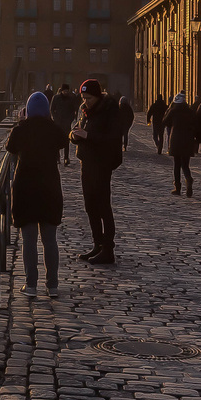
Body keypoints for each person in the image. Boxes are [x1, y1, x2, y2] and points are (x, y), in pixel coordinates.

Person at [6, 91, 65, 296]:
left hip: (26, 189)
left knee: (29, 240)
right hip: (49, 188)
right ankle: (53, 285)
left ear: (28, 110)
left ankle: (31, 284)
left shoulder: (21, 130)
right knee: (50, 240)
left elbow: (10, 147)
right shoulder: (53, 130)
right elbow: (63, 141)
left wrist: (22, 122)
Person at [70, 78, 123, 264]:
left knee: (103, 206)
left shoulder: (109, 110)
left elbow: (113, 138)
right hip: (87, 162)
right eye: (83, 98)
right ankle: (97, 244)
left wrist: (88, 136)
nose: (85, 101)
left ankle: (108, 249)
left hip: (102, 163)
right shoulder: (86, 111)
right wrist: (74, 135)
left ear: (98, 96)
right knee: (90, 205)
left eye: (89, 98)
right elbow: (78, 129)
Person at [161, 92, 198, 196]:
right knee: (185, 164)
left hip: (176, 140)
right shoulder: (190, 111)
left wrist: (169, 109)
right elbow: (196, 124)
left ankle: (177, 188)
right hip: (188, 140)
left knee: (177, 165)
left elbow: (164, 121)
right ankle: (188, 178)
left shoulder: (173, 111)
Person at [50, 84, 79, 166]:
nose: (66, 92)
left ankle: (66, 157)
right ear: (62, 90)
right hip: (58, 123)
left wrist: (70, 120)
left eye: (67, 91)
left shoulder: (71, 99)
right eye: (64, 91)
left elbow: (73, 110)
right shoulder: (56, 98)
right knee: (57, 140)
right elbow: (52, 109)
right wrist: (55, 118)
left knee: (67, 141)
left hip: (66, 123)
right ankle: (57, 157)